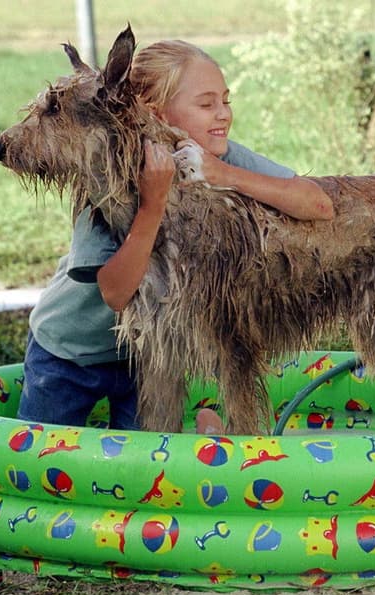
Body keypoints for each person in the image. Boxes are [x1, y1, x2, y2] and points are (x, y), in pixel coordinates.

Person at [16, 39, 333, 432]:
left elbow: (318, 204)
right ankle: (208, 430)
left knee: (144, 471)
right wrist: (153, 203)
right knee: (37, 452)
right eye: (205, 104)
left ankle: (208, 432)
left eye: (225, 100)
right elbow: (115, 294)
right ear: (153, 112)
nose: (223, 114)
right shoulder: (107, 181)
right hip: (69, 351)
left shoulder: (218, 155)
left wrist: (223, 174)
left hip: (145, 357)